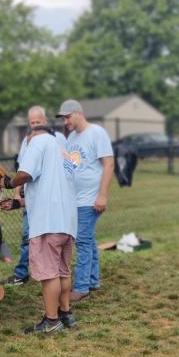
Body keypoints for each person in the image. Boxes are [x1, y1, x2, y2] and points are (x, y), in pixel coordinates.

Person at [0, 124, 77, 335]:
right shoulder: (62, 152)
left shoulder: (38, 141)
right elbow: (49, 190)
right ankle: (66, 314)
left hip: (47, 225)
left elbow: (25, 174)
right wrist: (17, 204)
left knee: (49, 275)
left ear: (33, 136)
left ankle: (51, 321)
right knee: (62, 271)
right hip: (66, 223)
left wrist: (8, 182)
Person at [1, 106, 66, 286]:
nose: (35, 125)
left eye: (38, 122)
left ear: (45, 121)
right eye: (32, 122)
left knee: (53, 240)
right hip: (33, 199)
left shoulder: (58, 139)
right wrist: (16, 196)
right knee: (28, 236)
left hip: (54, 200)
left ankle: (53, 274)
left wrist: (8, 183)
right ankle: (22, 273)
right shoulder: (28, 140)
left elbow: (67, 166)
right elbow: (23, 169)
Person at [56, 99, 114, 302]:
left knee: (82, 241)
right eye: (63, 118)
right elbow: (73, 164)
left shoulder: (97, 133)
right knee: (88, 240)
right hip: (76, 200)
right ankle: (92, 280)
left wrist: (102, 195)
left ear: (79, 113)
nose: (65, 121)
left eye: (68, 117)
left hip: (90, 200)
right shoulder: (71, 136)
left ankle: (81, 288)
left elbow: (109, 164)